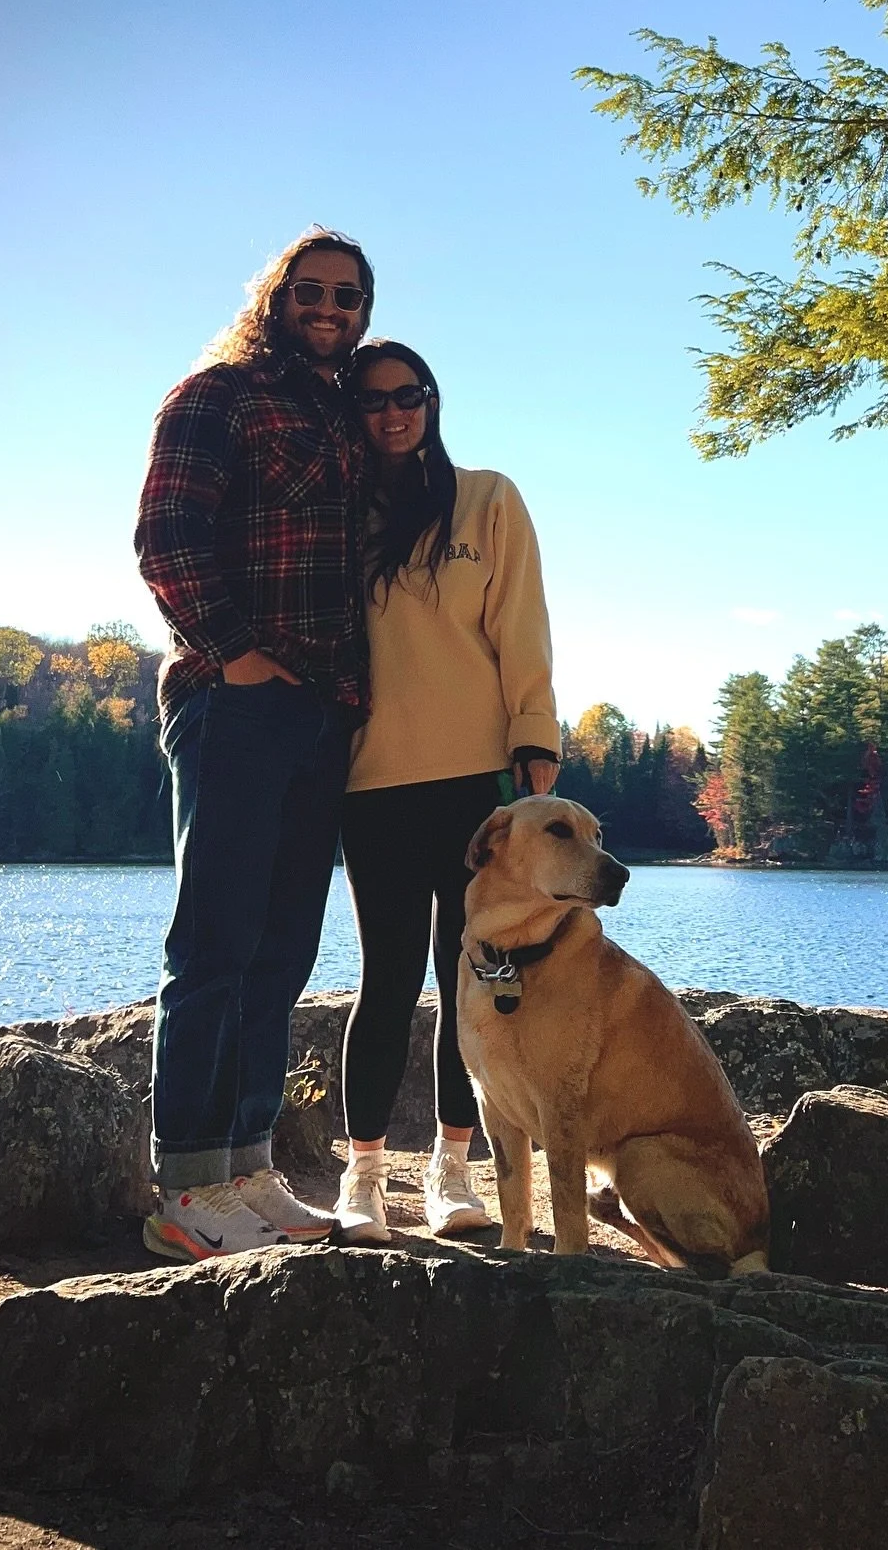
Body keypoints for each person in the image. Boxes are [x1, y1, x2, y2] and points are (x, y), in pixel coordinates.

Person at [134, 226, 374, 1260]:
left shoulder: (348, 414)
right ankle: (185, 1185)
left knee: (281, 951)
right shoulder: (218, 395)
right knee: (216, 944)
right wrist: (231, 652)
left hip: (323, 713)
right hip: (233, 703)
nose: (330, 308)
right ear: (275, 296)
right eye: (311, 291)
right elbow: (164, 536)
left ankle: (247, 1165)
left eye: (350, 297)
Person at [333, 339, 561, 1244]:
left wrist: (535, 736)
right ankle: (360, 1177)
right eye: (373, 400)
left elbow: (522, 626)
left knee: (473, 972)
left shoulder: (489, 499)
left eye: (408, 395)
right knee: (386, 974)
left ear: (431, 401)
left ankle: (452, 1166)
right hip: (373, 778)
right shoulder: (340, 514)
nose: (392, 412)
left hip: (479, 781)